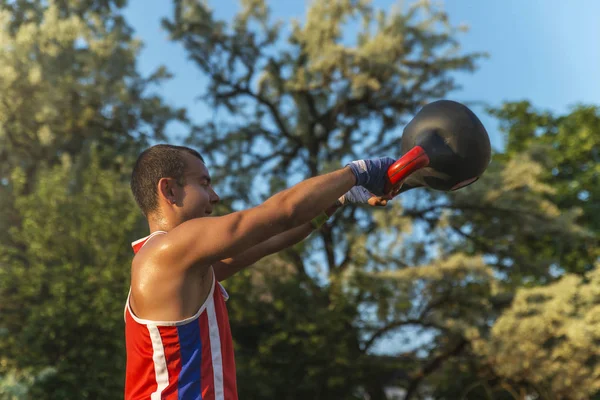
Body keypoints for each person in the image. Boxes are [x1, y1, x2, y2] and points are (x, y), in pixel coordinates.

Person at [124, 144, 395, 400]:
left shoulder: (184, 267)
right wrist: (358, 172)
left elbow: (273, 238)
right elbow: (282, 212)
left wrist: (339, 198)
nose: (215, 197)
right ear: (169, 190)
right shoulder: (168, 251)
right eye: (204, 183)